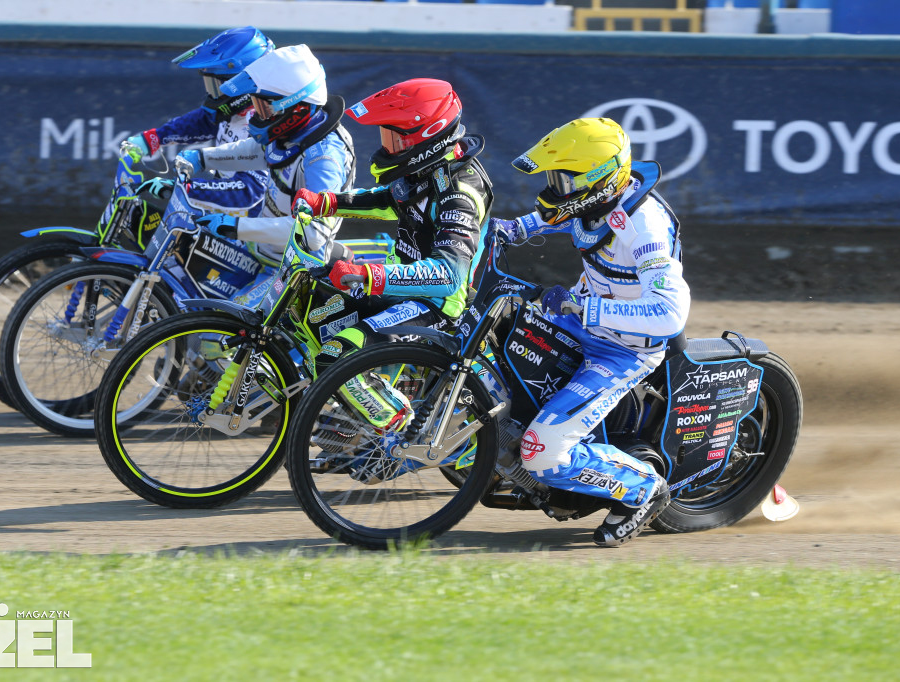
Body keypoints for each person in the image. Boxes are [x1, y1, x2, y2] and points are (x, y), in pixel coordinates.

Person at [491, 117, 690, 547]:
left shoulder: (645, 228)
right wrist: (509, 229)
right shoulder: (596, 203)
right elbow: (562, 218)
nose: (554, 189)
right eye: (553, 179)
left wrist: (588, 308)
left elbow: (670, 314)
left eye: (563, 181)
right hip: (577, 319)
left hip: (622, 350)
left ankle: (644, 489)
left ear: (600, 180)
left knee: (541, 452)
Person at [290, 78, 493, 433]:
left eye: (395, 139)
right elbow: (388, 199)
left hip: (435, 306)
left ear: (428, 136)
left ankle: (396, 428)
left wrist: (370, 275)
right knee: (311, 311)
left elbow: (449, 275)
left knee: (335, 355)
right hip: (399, 290)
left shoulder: (460, 192)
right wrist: (328, 202)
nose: (386, 147)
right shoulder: (426, 170)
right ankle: (351, 419)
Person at [173, 43, 356, 293]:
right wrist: (202, 158)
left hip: (295, 270)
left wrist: (237, 227)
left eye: (263, 107)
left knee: (223, 318)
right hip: (263, 252)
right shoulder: (297, 132)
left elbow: (314, 233)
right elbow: (258, 150)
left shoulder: (323, 159)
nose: (256, 116)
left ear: (295, 107)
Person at [120, 26, 273, 223]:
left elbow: (248, 191)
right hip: (229, 217)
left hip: (254, 228)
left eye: (218, 86)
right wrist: (153, 138)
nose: (212, 95)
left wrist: (185, 188)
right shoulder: (234, 111)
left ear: (242, 84)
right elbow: (203, 120)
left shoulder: (265, 124)